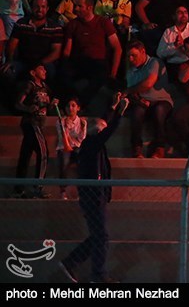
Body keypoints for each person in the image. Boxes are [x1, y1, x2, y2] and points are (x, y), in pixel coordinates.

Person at [59, 92, 128, 285]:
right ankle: (97, 275)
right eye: (102, 127)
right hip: (92, 196)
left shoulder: (92, 145)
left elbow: (105, 123)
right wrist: (120, 113)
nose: (104, 126)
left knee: (99, 236)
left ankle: (72, 262)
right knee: (101, 236)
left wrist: (113, 107)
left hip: (96, 195)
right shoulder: (91, 144)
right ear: (97, 131)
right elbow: (108, 129)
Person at [12, 64, 58, 199]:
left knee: (25, 156)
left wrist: (51, 105)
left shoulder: (45, 87)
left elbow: (45, 108)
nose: (44, 71)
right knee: (44, 153)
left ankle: (18, 189)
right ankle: (38, 186)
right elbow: (18, 104)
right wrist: (28, 108)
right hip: (32, 123)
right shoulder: (30, 85)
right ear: (33, 72)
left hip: (39, 124)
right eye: (41, 69)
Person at [124, 40, 174, 159]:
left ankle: (160, 148)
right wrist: (137, 99)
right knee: (136, 112)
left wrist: (128, 91)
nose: (131, 59)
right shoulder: (131, 70)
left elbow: (148, 83)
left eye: (134, 56)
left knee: (159, 111)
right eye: (129, 56)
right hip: (143, 101)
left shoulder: (154, 62)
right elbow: (133, 92)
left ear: (143, 52)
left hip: (161, 99)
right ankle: (136, 148)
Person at [55, 95, 87, 200]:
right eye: (68, 106)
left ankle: (81, 191)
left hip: (77, 147)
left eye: (73, 106)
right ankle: (63, 191)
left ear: (78, 108)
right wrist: (66, 128)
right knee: (64, 162)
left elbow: (81, 138)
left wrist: (74, 140)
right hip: (64, 147)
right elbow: (61, 138)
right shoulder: (61, 121)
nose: (70, 108)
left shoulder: (82, 122)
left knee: (82, 163)